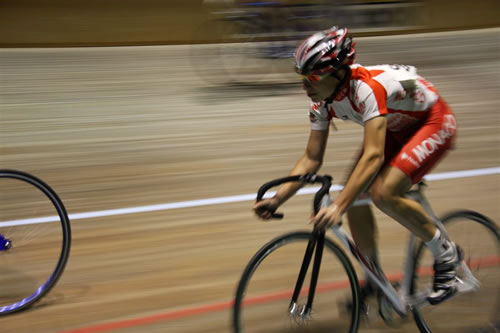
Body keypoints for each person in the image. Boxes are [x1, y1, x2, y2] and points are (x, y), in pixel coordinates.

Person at [253, 26, 462, 307]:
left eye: (313, 76)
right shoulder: (322, 103)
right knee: (354, 198)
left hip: (432, 122)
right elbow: (312, 159)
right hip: (395, 128)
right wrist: (278, 199)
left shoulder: (366, 88)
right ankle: (374, 282)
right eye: (302, 76)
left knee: (382, 194)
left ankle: (446, 253)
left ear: (339, 73)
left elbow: (373, 156)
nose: (306, 83)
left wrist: (337, 206)